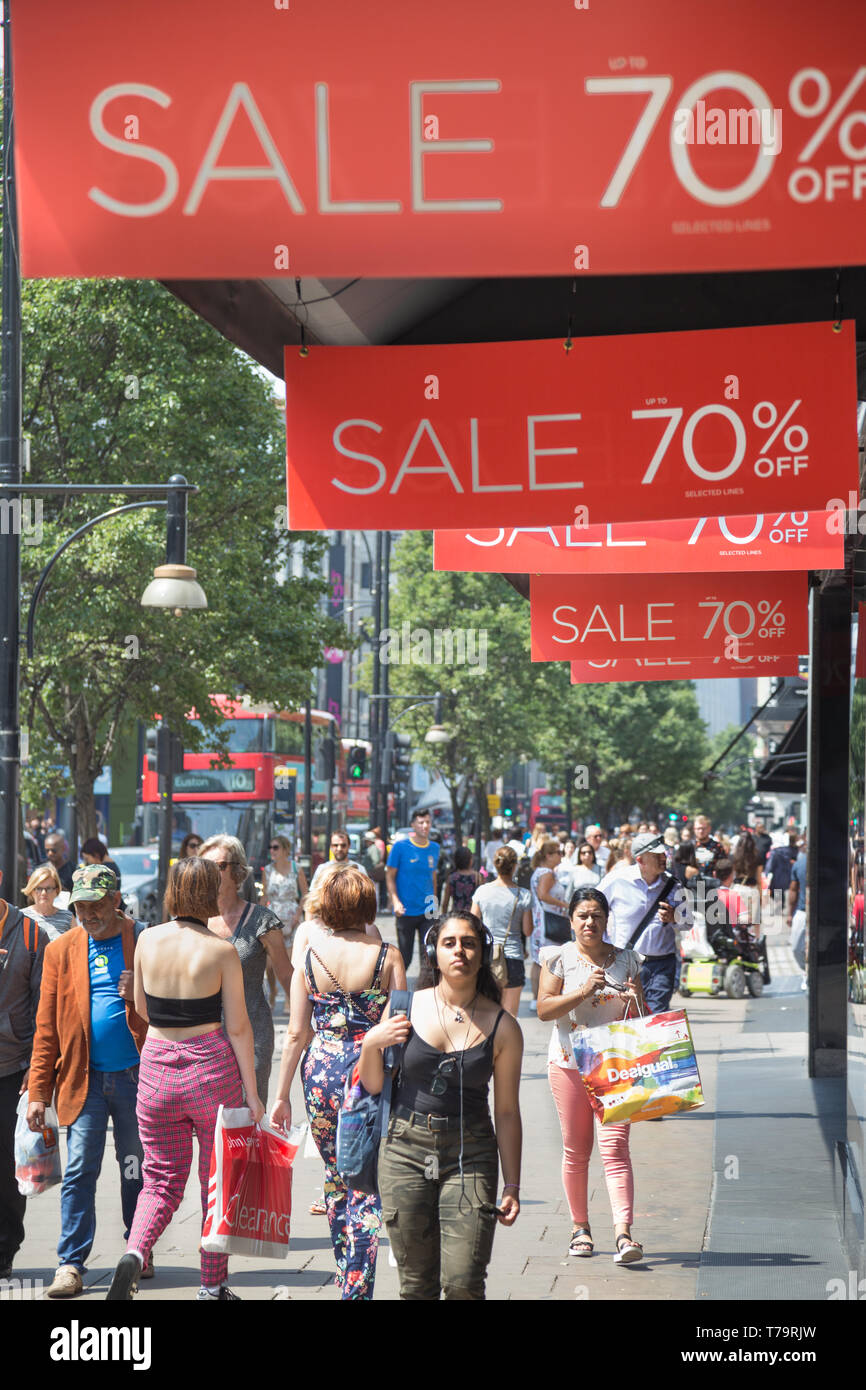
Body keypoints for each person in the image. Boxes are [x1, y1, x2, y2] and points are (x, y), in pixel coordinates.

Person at [106, 857, 265, 1302]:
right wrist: (252, 1095)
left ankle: (135, 1253)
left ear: (173, 892)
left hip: (156, 1067)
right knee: (217, 1181)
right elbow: (238, 1027)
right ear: (212, 893)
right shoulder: (220, 949)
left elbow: (139, 1004)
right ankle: (211, 1286)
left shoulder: (147, 940)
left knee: (160, 1179)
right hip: (210, 1069)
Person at [360, 911, 523, 1300]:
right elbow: (373, 1083)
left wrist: (513, 1183)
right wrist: (371, 1043)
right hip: (404, 1148)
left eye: (469, 943)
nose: (459, 951)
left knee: (464, 1283)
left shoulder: (503, 1027)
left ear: (483, 954)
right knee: (416, 1286)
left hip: (471, 1151)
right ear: (434, 953)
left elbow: (506, 1112)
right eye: (449, 943)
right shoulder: (405, 1007)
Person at [270, 867, 405, 1299]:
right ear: (367, 906)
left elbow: (295, 1033)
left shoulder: (309, 958)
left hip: (321, 1073)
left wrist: (280, 1095)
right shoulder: (389, 956)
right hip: (371, 1072)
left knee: (335, 1175)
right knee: (367, 1178)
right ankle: (356, 1288)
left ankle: (345, 1267)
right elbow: (401, 1027)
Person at [27, 865, 148, 1298]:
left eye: (96, 904)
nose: (88, 913)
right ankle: (71, 1264)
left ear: (115, 899)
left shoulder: (144, 940)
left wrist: (142, 994)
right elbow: (46, 1029)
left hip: (137, 1077)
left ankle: (139, 1250)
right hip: (84, 1079)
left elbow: (171, 1006)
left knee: (136, 1168)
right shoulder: (61, 950)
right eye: (80, 906)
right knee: (79, 1170)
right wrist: (39, 1090)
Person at [538, 886, 646, 1263]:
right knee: (577, 1150)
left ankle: (624, 1234)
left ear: (606, 919)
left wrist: (636, 998)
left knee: (615, 1148)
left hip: (614, 1067)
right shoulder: (557, 959)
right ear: (571, 920)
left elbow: (641, 1020)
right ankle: (579, 1229)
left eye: (597, 915)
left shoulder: (627, 960)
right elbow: (544, 1010)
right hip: (568, 1063)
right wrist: (583, 990)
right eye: (583, 915)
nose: (590, 922)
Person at [199, 835, 292, 1102]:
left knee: (247, 1120)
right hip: (202, 1038)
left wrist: (305, 1023)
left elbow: (286, 975)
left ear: (238, 871)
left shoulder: (261, 921)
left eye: (219, 866)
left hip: (253, 1036)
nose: (211, 873)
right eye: (205, 867)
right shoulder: (193, 920)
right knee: (209, 1125)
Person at [0, 868, 48, 1281]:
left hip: (11, 1069)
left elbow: (42, 1013)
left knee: (5, 1168)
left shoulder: (30, 935)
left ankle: (4, 1250)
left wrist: (36, 1073)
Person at [599, 831, 692, 1016]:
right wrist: (603, 944)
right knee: (624, 1015)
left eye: (663, 853)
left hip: (661, 964)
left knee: (656, 1016)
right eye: (656, 855)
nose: (663, 858)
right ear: (640, 860)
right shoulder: (617, 880)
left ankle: (653, 1046)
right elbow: (593, 908)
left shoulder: (673, 885)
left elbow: (688, 922)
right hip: (625, 963)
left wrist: (675, 917)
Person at [471, 846, 532, 1016]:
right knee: (510, 1016)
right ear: (515, 866)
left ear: (495, 865)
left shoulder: (482, 892)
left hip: (487, 956)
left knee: (487, 1013)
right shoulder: (524, 895)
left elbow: (472, 924)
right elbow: (527, 930)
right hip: (513, 956)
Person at [387, 809, 441, 970]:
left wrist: (435, 903)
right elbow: (389, 876)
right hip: (405, 910)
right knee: (405, 958)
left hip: (428, 911)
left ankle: (424, 992)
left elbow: (433, 878)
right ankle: (396, 992)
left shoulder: (435, 848)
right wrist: (395, 901)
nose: (425, 826)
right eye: (421, 822)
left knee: (429, 956)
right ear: (413, 825)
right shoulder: (400, 847)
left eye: (428, 822)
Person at [262, 834, 308, 1009]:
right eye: (271, 848)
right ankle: (273, 990)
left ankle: (290, 999)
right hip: (272, 919)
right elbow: (265, 895)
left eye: (276, 847)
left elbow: (305, 893)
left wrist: (298, 915)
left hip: (292, 918)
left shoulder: (296, 868)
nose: (272, 851)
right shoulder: (267, 870)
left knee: (291, 963)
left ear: (285, 850)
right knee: (269, 964)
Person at [528, 840, 570, 1012]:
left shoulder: (539, 872)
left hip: (540, 921)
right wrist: (565, 905)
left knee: (538, 961)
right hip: (548, 921)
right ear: (548, 856)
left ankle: (536, 997)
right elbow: (543, 895)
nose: (561, 855)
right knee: (548, 959)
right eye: (558, 853)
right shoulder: (547, 873)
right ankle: (545, 996)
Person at [22, 863, 75, 940]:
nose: (44, 893)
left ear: (56, 891)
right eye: (39, 889)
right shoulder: (21, 917)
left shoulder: (68, 918)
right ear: (31, 891)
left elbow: (77, 946)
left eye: (49, 888)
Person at [731, 833, 762, 931]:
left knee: (738, 920)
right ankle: (755, 941)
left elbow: (732, 876)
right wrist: (761, 896)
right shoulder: (757, 857)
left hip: (737, 889)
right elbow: (759, 879)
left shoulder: (734, 857)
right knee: (755, 921)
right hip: (752, 889)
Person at [442, 846, 479, 915]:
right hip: (472, 916)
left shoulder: (452, 878)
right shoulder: (477, 877)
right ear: (470, 860)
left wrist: (444, 920)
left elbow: (445, 904)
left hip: (456, 916)